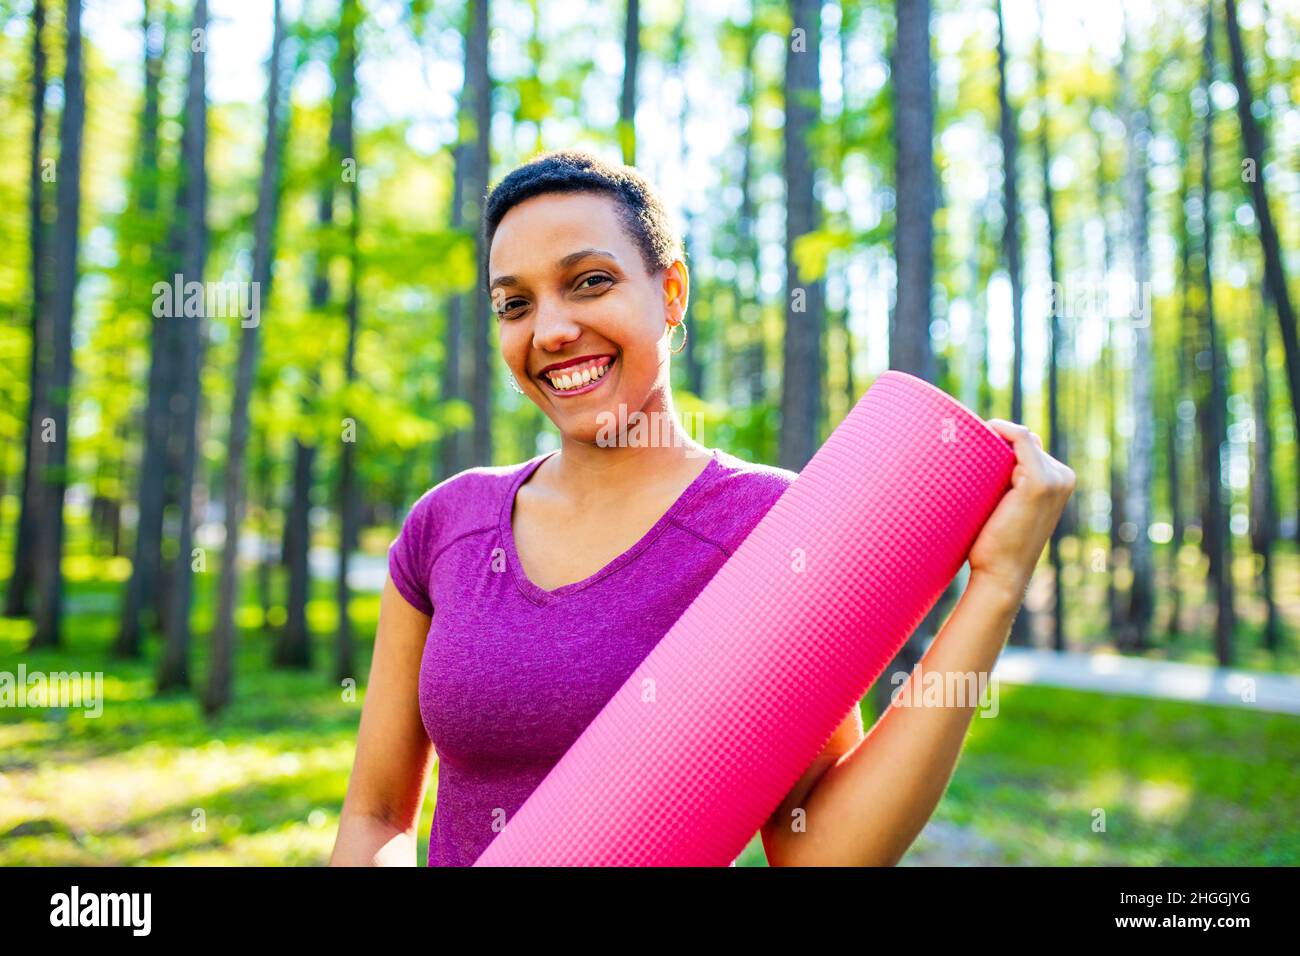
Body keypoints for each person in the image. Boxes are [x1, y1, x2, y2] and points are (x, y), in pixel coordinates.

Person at [329, 149, 1075, 867]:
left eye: (589, 282)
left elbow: (820, 849)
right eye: (514, 303)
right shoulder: (449, 524)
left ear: (672, 292)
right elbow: (375, 814)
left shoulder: (776, 529)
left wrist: (996, 587)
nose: (550, 329)